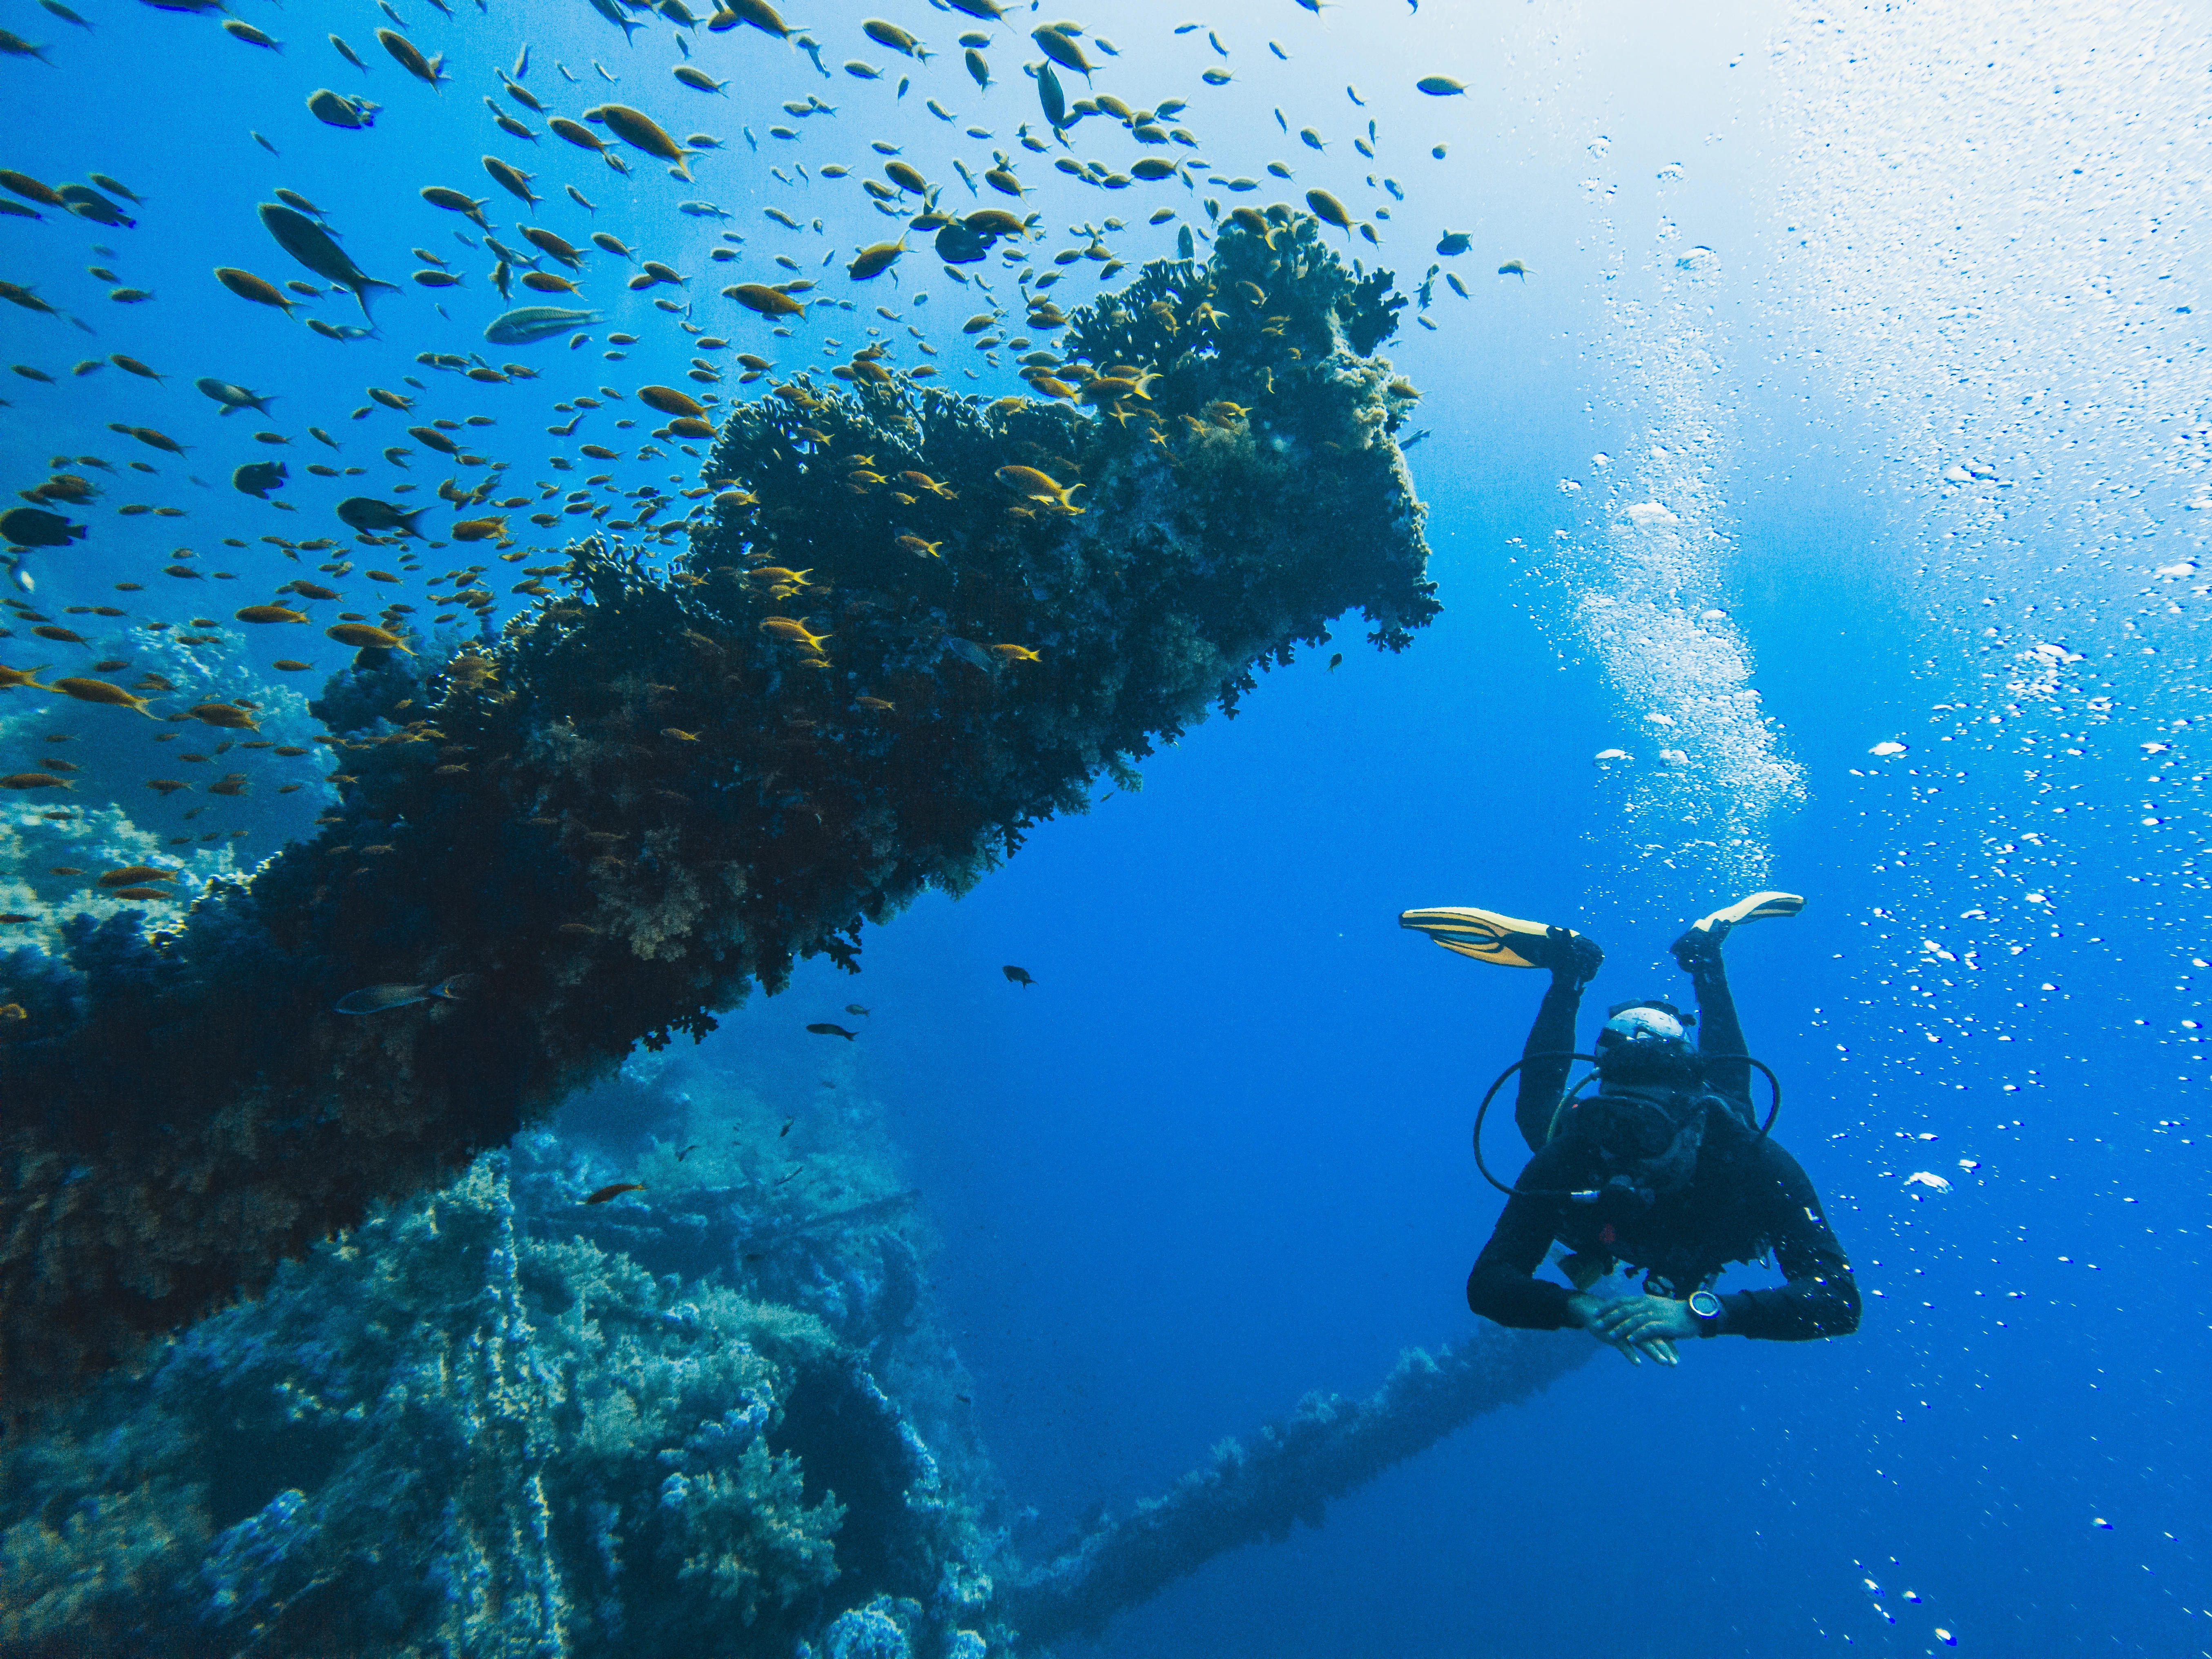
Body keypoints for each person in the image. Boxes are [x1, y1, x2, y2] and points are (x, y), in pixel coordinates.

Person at [1400, 892, 1860, 1367]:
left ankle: (1703, 960)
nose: (1618, 1148)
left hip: (1715, 1147)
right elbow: (1489, 1283)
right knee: (1542, 1122)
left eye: (1642, 1128)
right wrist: (1577, 1307)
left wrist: (1702, 1314)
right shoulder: (1582, 1150)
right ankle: (1570, 972)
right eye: (1608, 1118)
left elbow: (1839, 1301)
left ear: (1690, 1125)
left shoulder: (1747, 1159)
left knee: (1734, 1103)